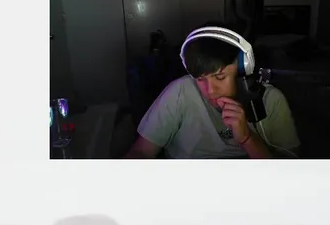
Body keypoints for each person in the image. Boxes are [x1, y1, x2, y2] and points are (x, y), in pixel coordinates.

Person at [124, 25, 300, 159]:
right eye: (201, 79)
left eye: (220, 77)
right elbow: (141, 152)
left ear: (242, 70)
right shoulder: (179, 91)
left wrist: (247, 138)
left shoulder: (271, 100)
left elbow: (290, 172)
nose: (210, 91)